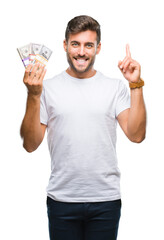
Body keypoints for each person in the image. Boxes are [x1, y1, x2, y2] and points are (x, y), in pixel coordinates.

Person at [20, 15, 146, 240]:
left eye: (88, 45)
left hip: (105, 201)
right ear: (65, 45)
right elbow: (30, 144)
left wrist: (135, 85)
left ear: (98, 48)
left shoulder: (114, 87)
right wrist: (33, 94)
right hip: (62, 201)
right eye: (75, 44)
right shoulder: (46, 88)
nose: (81, 52)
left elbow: (136, 135)